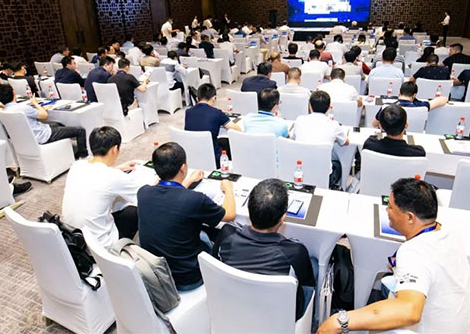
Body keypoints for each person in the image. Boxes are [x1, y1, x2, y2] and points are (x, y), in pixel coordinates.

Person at [318, 178, 470, 334]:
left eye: (391, 207)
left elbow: (409, 311)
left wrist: (340, 321)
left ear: (410, 217)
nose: (387, 211)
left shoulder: (413, 253)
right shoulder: (447, 233)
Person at [213, 179, 317, 321]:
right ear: (282, 218)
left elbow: (216, 261)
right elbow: (307, 283)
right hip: (279, 317)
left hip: (233, 306)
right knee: (314, 265)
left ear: (249, 209)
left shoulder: (227, 234)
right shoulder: (295, 252)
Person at [137, 142, 236, 290]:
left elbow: (167, 195)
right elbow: (230, 214)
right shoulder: (195, 199)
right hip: (188, 279)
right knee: (222, 231)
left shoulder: (143, 192)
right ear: (183, 168)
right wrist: (228, 190)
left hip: (157, 274)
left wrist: (188, 181)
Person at [62, 126, 143, 248]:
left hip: (74, 238)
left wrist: (117, 168)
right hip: (102, 246)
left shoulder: (76, 166)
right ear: (114, 149)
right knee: (134, 211)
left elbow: (95, 174)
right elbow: (143, 193)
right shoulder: (114, 176)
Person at [0, 83, 88, 159]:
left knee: (58, 124)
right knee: (80, 130)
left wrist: (39, 109)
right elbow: (44, 116)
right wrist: (35, 103)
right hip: (43, 136)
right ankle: (83, 156)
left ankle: (68, 151)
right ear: (14, 93)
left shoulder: (2, 112)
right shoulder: (23, 108)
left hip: (30, 138)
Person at [291, 91, 349, 187]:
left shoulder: (299, 120)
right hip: (325, 177)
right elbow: (345, 142)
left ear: (309, 106)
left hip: (299, 172)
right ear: (329, 108)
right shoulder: (334, 125)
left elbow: (293, 137)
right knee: (338, 164)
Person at [185, 83, 241, 164]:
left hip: (192, 154)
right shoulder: (217, 113)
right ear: (214, 98)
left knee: (222, 141)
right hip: (214, 157)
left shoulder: (188, 112)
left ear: (197, 99)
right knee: (229, 143)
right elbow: (236, 129)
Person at [372, 81, 447, 128]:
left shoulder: (387, 107)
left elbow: (374, 124)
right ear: (414, 95)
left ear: (399, 93)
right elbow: (443, 99)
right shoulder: (421, 106)